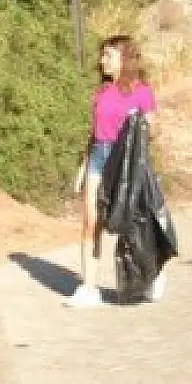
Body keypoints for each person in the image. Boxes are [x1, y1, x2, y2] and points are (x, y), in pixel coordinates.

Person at [67, 35, 161, 307]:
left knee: (132, 224)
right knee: (90, 222)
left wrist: (139, 130)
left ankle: (149, 276)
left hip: (128, 161)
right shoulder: (101, 92)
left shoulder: (143, 91)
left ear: (124, 58)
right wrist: (84, 167)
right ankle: (88, 288)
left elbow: (150, 133)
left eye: (108, 55)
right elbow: (94, 133)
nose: (102, 60)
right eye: (102, 55)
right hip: (99, 157)